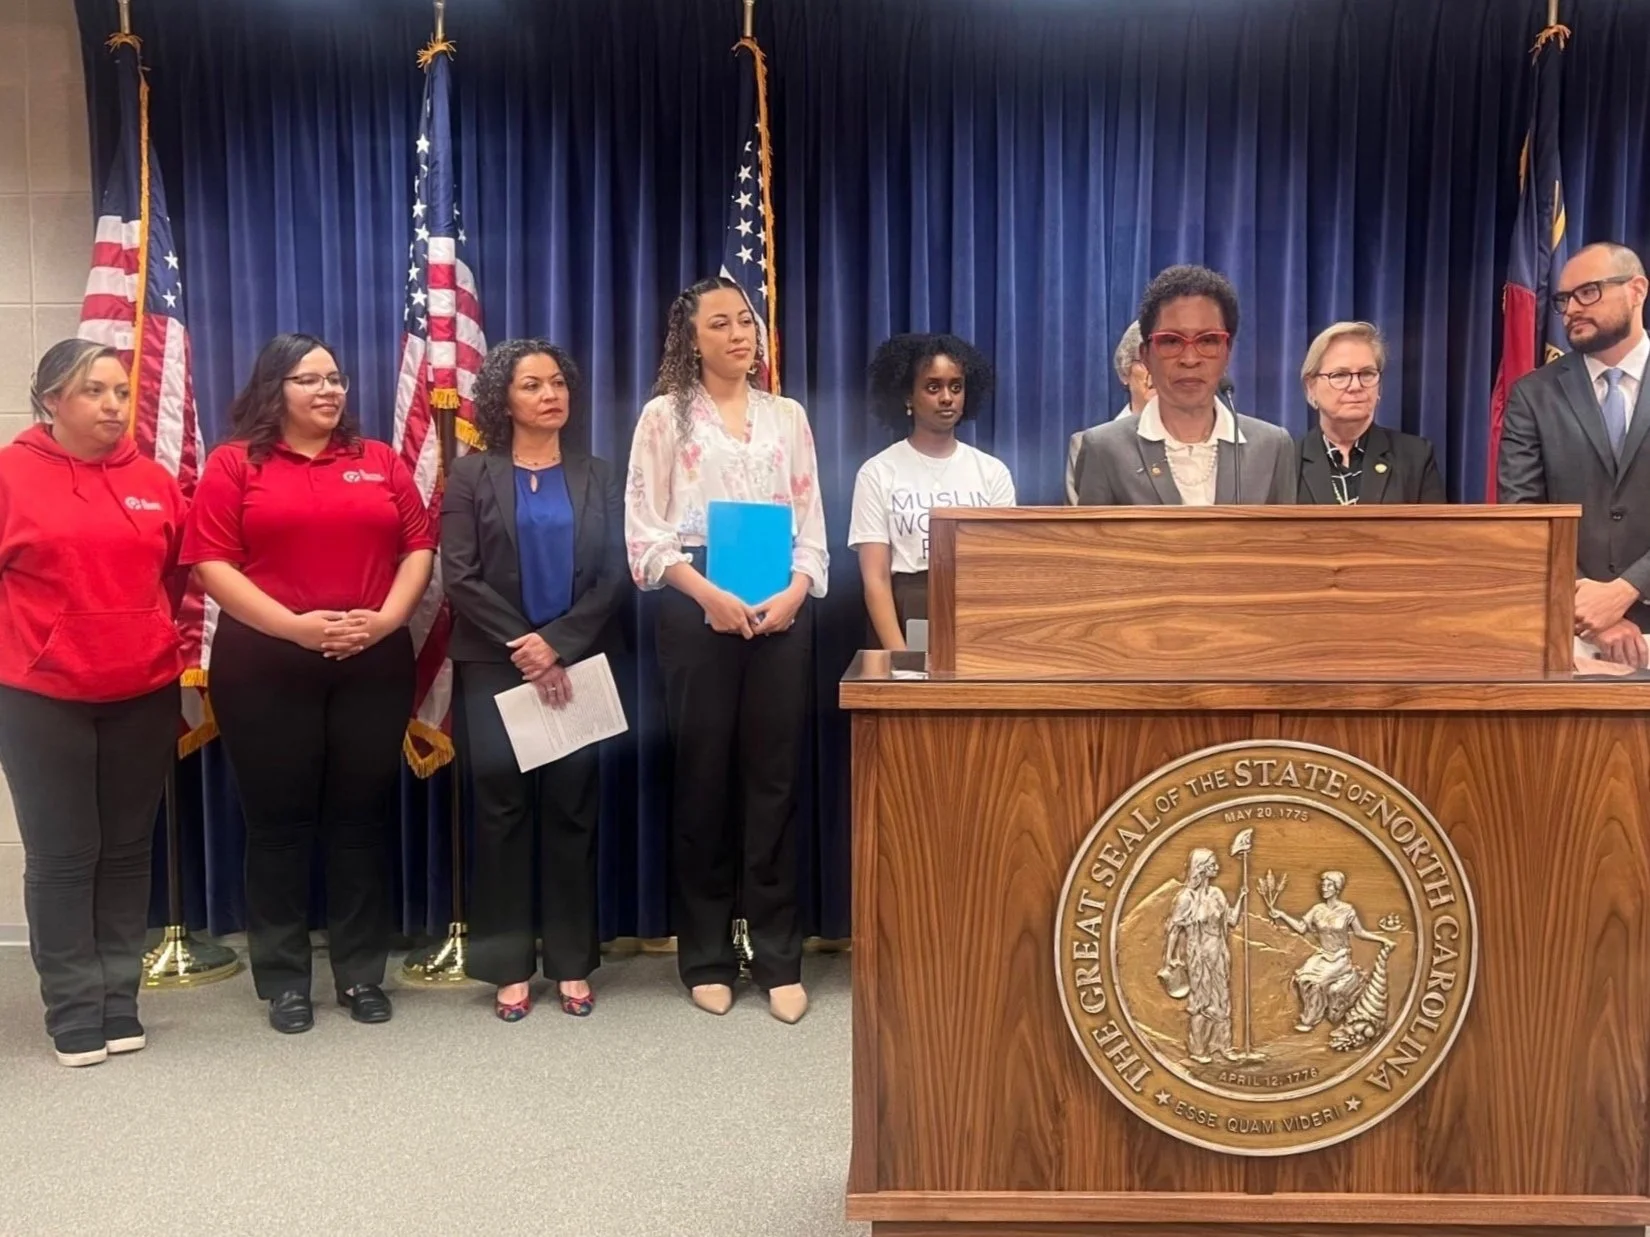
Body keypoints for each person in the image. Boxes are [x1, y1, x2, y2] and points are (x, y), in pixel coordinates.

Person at [182, 333, 435, 1034]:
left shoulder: (379, 461)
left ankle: (360, 975)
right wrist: (295, 628)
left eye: (336, 378)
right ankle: (286, 981)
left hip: (372, 658)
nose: (329, 390)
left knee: (360, 822)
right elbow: (210, 562)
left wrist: (385, 620)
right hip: (265, 664)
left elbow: (419, 545)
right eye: (309, 379)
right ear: (274, 390)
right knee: (279, 828)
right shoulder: (235, 465)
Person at [625, 275, 827, 1024]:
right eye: (722, 323)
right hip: (695, 605)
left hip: (781, 607)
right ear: (692, 337)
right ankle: (706, 953)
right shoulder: (662, 419)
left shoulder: (789, 415)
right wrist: (706, 593)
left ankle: (778, 956)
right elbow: (644, 531)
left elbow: (811, 521)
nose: (740, 334)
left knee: (774, 783)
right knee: (704, 781)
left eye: (746, 321)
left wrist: (796, 593)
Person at [0, 340, 185, 1067]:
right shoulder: (12, 473)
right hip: (43, 696)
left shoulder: (151, 478)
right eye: (95, 392)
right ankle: (74, 1007)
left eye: (120, 392)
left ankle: (119, 998)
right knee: (65, 854)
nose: (114, 406)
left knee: (128, 850)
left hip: (142, 690)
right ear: (51, 399)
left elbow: (173, 575)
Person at [442, 340, 626, 1021]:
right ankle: (508, 966)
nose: (550, 394)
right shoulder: (471, 474)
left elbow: (613, 573)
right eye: (531, 385)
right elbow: (457, 574)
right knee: (502, 815)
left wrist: (559, 643)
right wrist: (527, 645)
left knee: (573, 812)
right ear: (504, 399)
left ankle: (573, 962)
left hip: (579, 662)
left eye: (557, 383)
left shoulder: (598, 474)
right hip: (497, 664)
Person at [1499, 243, 1650, 668]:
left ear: (1637, 290)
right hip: (1574, 633)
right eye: (1564, 299)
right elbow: (1523, 515)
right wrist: (1593, 614)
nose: (1570, 310)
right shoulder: (1534, 394)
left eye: (1588, 292)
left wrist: (1627, 589)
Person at [1071, 266, 1295, 505]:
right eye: (1171, 341)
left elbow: (1286, 542)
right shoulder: (1105, 449)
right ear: (1146, 355)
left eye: (1208, 340)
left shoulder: (1272, 447)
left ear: (1227, 352)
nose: (1190, 359)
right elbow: (1094, 543)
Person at [848, 333, 1015, 650]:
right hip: (906, 608)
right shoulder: (878, 472)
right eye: (933, 387)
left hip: (976, 610)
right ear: (908, 396)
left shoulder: (993, 473)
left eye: (956, 386)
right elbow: (876, 579)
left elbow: (1000, 571)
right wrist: (900, 656)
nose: (947, 398)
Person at [1295, 322, 1446, 505]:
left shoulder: (1415, 457)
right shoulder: (1289, 461)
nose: (1356, 386)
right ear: (1311, 388)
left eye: (1367, 374)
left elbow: (1435, 532)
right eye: (1340, 375)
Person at [1266, 871, 1394, 1032]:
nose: (1324, 888)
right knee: (1302, 978)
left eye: (1328, 885)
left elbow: (1360, 932)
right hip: (1322, 955)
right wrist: (1282, 915)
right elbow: (1301, 928)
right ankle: (1315, 1010)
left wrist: (1383, 940)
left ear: (1337, 888)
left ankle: (1310, 1020)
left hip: (1340, 957)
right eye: (1323, 885)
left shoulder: (1347, 910)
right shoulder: (1317, 909)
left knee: (1318, 982)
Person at [1162, 848, 1246, 1065]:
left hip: (1219, 952)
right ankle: (1199, 1049)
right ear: (1200, 868)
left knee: (1222, 997)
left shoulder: (1217, 894)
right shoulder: (1185, 898)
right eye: (1211, 864)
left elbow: (1232, 920)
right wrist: (1168, 959)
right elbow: (1173, 929)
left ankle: (1223, 1046)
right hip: (1198, 955)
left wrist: (1242, 898)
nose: (1216, 867)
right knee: (1202, 1001)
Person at [1064, 321, 1153, 503]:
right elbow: (1080, 525)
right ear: (1125, 371)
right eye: (1145, 362)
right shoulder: (1086, 444)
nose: (1156, 372)